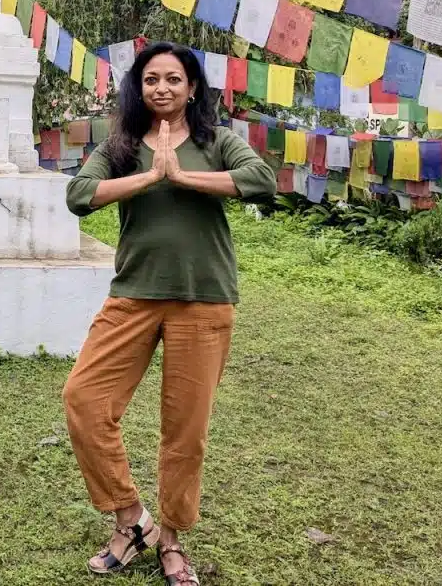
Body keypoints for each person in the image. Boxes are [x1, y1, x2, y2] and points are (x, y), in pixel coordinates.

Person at [62, 42, 275, 584]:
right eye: (151, 78)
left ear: (193, 88)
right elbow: (79, 195)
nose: (162, 88)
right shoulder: (121, 145)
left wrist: (182, 176)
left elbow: (261, 181)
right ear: (140, 88)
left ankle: (173, 540)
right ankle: (131, 519)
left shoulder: (217, 141)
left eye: (174, 79)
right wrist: (150, 177)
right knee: (85, 399)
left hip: (204, 299)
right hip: (133, 294)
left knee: (185, 431)